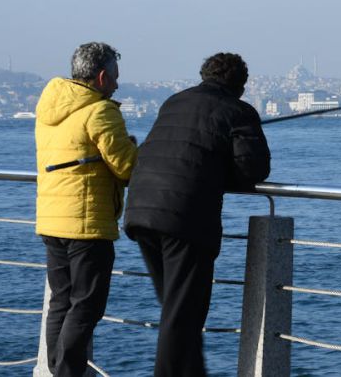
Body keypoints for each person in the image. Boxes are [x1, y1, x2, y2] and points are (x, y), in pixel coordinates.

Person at [124, 52, 270, 376]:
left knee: (178, 311)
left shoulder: (174, 102)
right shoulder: (239, 111)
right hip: (182, 216)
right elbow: (254, 169)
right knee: (182, 315)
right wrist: (220, 171)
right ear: (241, 86)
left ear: (204, 75)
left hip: (140, 207)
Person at [35, 42, 138, 376]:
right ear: (103, 76)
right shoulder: (101, 111)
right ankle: (67, 373)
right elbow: (126, 167)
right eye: (116, 78)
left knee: (61, 304)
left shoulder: (49, 108)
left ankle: (57, 370)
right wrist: (135, 146)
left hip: (51, 221)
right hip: (86, 224)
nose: (118, 85)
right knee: (87, 306)